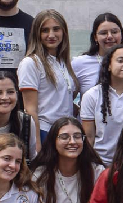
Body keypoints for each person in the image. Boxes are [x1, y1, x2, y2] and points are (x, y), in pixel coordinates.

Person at [17, 9, 79, 148]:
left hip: (66, 132)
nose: (51, 35)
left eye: (56, 29)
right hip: (45, 132)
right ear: (37, 34)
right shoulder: (31, 63)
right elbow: (30, 109)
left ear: (64, 32)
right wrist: (36, 143)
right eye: (45, 30)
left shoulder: (63, 62)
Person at [72, 13, 123, 96]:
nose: (110, 36)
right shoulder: (79, 63)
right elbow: (67, 98)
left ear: (121, 34)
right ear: (95, 37)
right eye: (103, 33)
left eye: (114, 32)